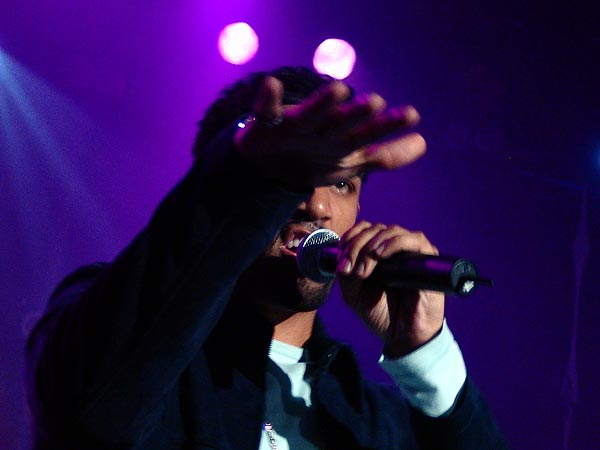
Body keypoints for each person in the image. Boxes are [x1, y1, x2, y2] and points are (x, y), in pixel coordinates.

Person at [26, 66, 508, 449]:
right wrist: (247, 183)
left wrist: (426, 355)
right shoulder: (125, 343)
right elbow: (87, 404)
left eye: (342, 183)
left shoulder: (374, 420)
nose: (317, 206)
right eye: (295, 174)